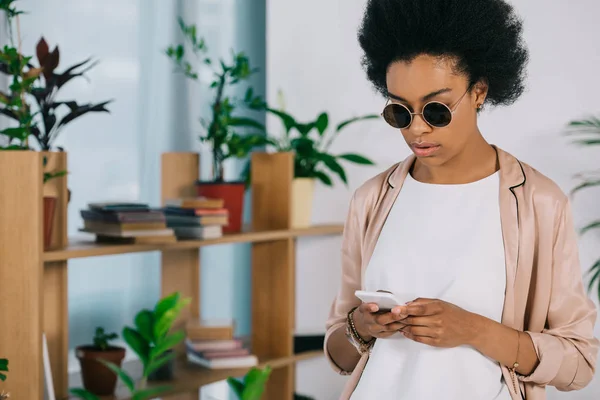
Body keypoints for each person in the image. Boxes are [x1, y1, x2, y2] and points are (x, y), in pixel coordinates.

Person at [324, 1, 599, 399]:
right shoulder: (371, 200)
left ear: (479, 92)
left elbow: (579, 363)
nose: (417, 129)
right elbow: (340, 355)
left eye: (435, 109)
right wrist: (362, 328)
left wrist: (475, 330)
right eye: (400, 112)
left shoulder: (539, 203)